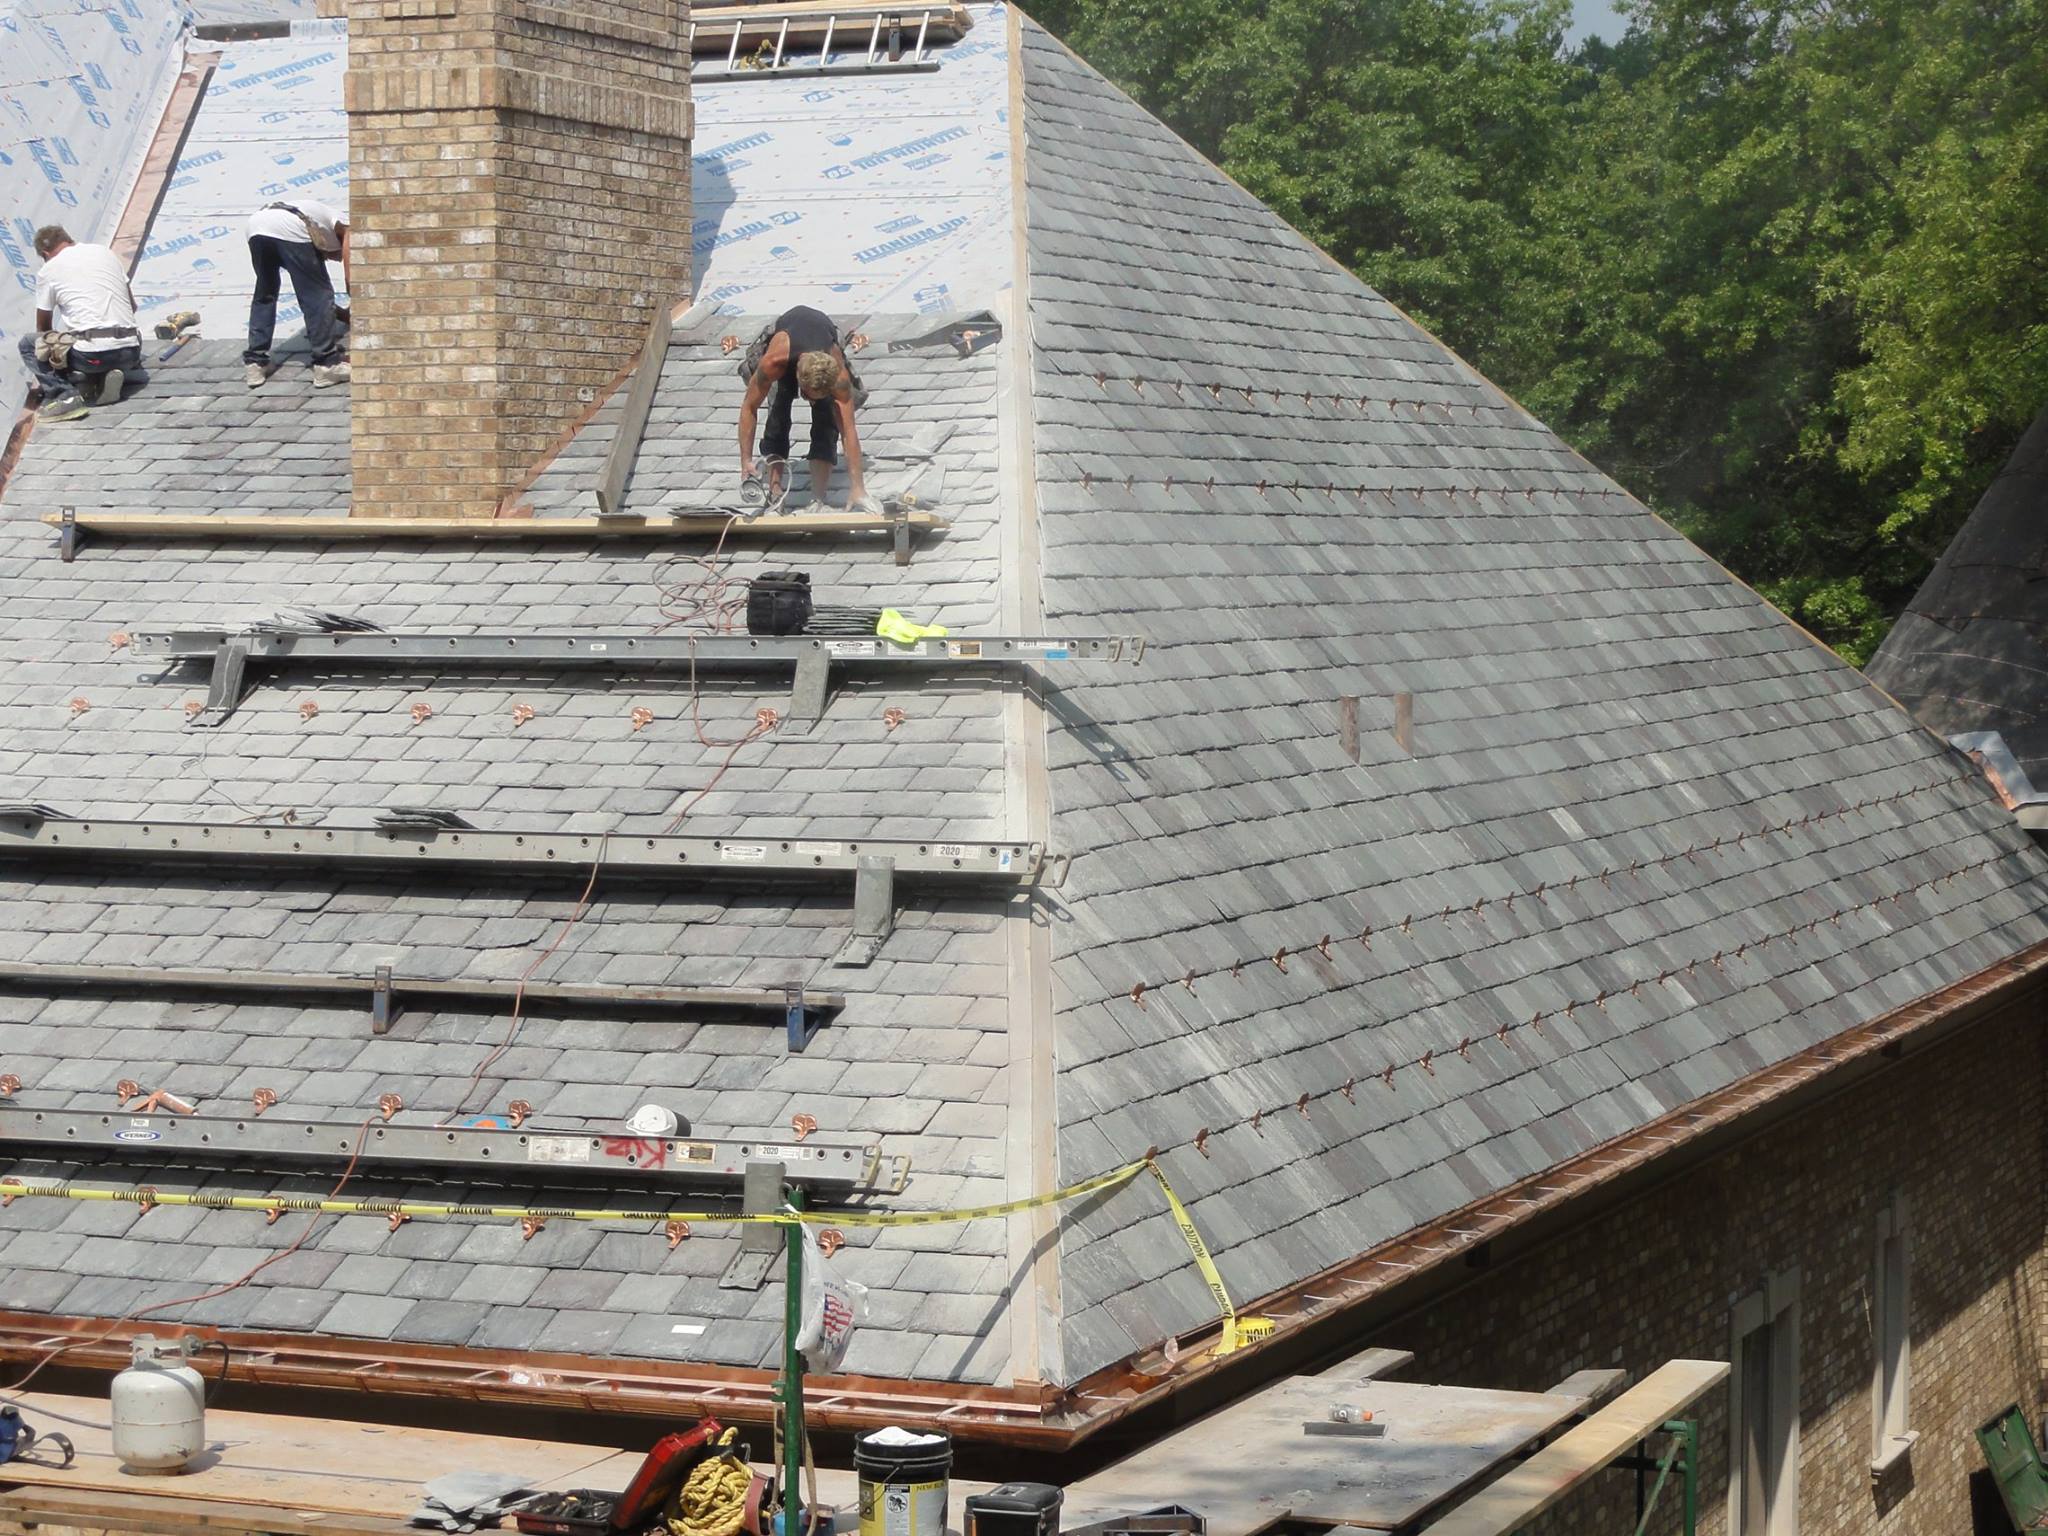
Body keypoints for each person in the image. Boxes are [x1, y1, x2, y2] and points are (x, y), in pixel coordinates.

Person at [735, 305, 874, 510]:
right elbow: (749, 407)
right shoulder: (774, 362)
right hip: (787, 339)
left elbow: (848, 430)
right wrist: (745, 460)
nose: (810, 401)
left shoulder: (838, 375)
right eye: (808, 395)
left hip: (825, 334)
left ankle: (818, 496)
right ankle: (775, 491)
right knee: (778, 410)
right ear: (800, 380)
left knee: (827, 417)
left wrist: (858, 488)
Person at [18, 225, 145, 422]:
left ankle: (65, 396)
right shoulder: (105, 253)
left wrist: (58, 358)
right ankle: (102, 378)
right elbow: (132, 306)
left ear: (45, 254)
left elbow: (43, 329)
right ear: (69, 240)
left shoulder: (49, 269)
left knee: (29, 343)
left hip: (92, 356)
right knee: (86, 344)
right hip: (131, 350)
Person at [243, 197, 350, 389]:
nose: (334, 259)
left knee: (265, 293)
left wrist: (342, 314)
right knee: (319, 296)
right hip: (290, 227)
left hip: (256, 226)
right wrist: (352, 287)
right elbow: (352, 251)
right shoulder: (345, 224)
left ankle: (256, 363)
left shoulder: (318, 219)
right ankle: (327, 365)